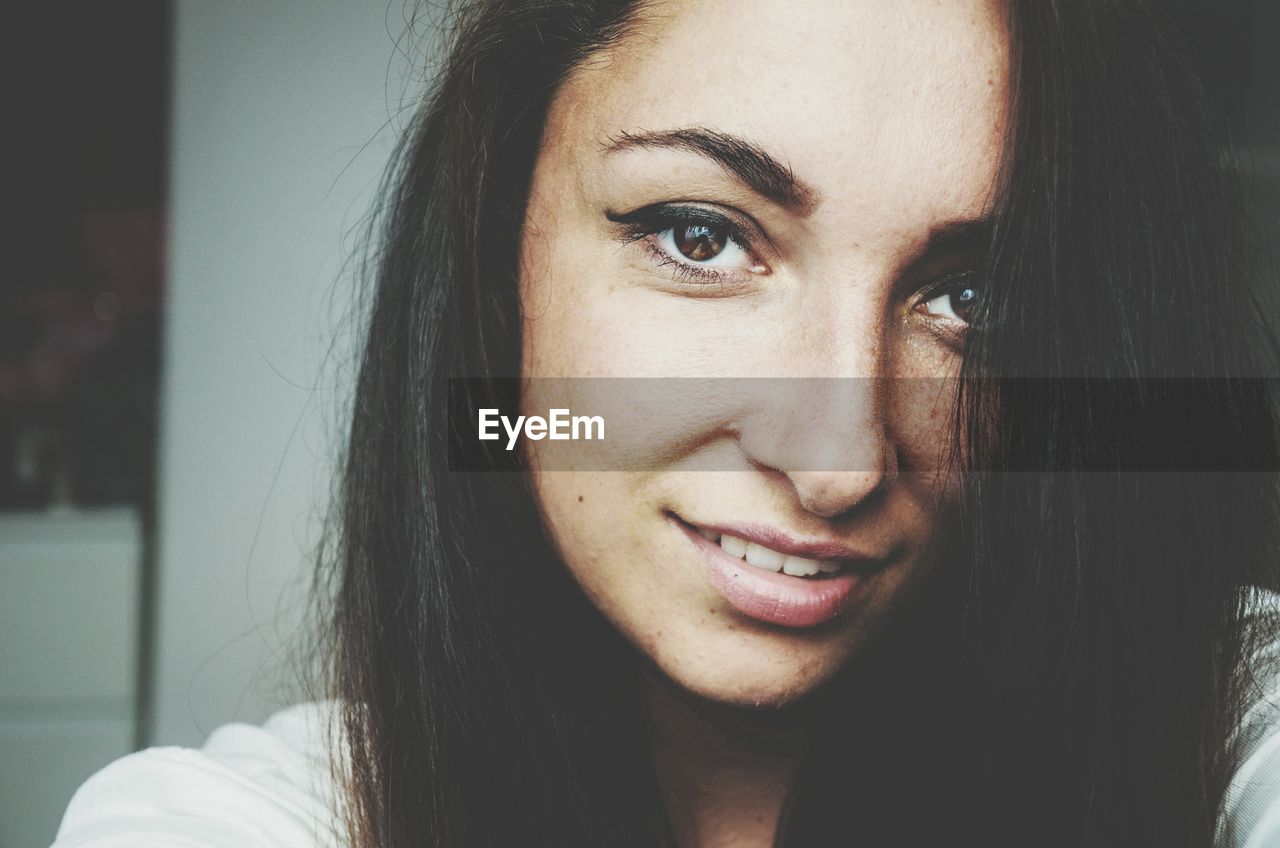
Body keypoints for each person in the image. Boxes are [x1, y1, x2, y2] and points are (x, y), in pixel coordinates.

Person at [52, 0, 1280, 846]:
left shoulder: (1220, 727)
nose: (835, 460)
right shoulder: (234, 819)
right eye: (701, 236)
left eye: (971, 296)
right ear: (497, 260)